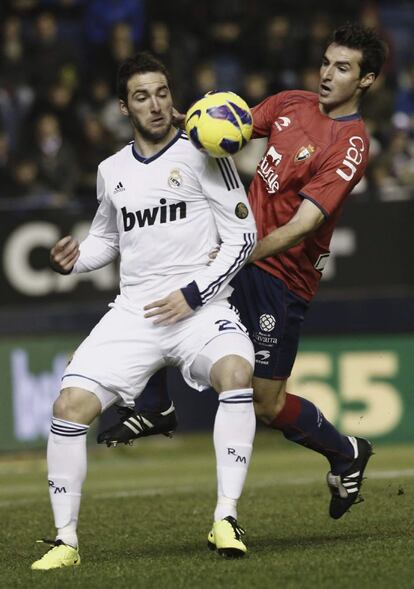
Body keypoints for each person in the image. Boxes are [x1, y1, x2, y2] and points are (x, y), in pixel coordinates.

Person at [100, 23, 388, 520]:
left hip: (282, 278)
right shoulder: (291, 103)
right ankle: (155, 405)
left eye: (342, 68)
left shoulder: (351, 145)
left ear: (366, 81)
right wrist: (180, 117)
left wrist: (240, 252)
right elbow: (221, 129)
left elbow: (304, 225)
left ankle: (345, 451)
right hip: (240, 256)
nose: (326, 74)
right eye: (325, 62)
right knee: (166, 281)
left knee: (266, 404)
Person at [31, 51, 257, 570]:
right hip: (134, 313)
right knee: (68, 408)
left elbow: (243, 238)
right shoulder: (111, 171)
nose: (155, 106)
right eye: (141, 97)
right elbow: (108, 238)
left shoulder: (208, 154)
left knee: (236, 373)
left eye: (161, 93)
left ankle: (226, 516)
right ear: (122, 108)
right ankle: (65, 542)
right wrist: (74, 260)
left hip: (200, 310)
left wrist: (195, 294)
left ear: (172, 97)